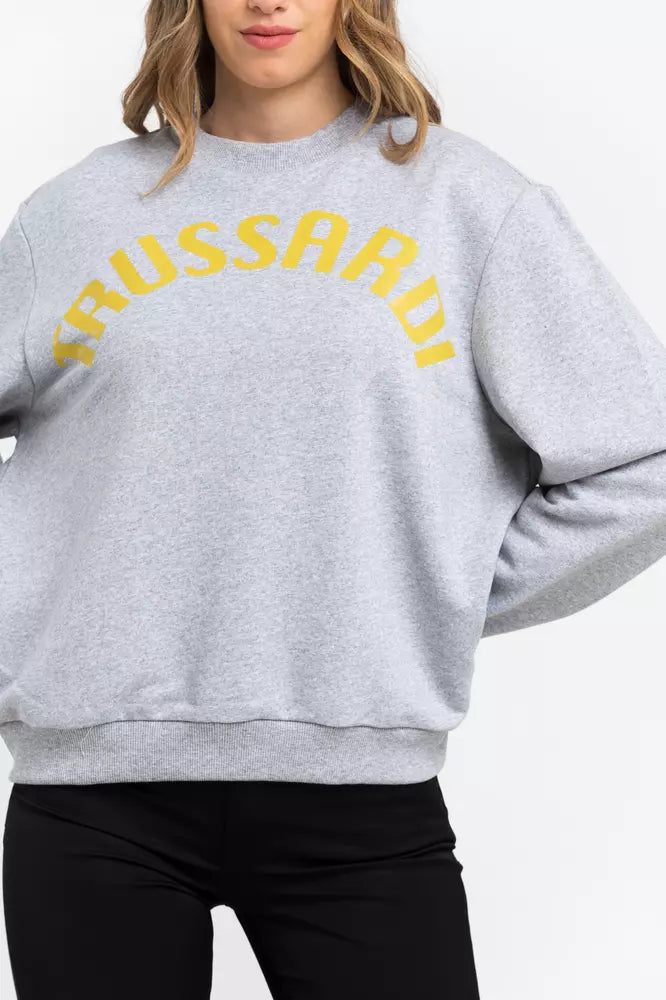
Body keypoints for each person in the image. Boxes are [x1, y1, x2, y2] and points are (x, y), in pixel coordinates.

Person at [1, 0, 665, 997]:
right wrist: (32, 582)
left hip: (362, 806)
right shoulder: (76, 214)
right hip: (92, 798)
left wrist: (431, 588)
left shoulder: (467, 204)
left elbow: (644, 458)